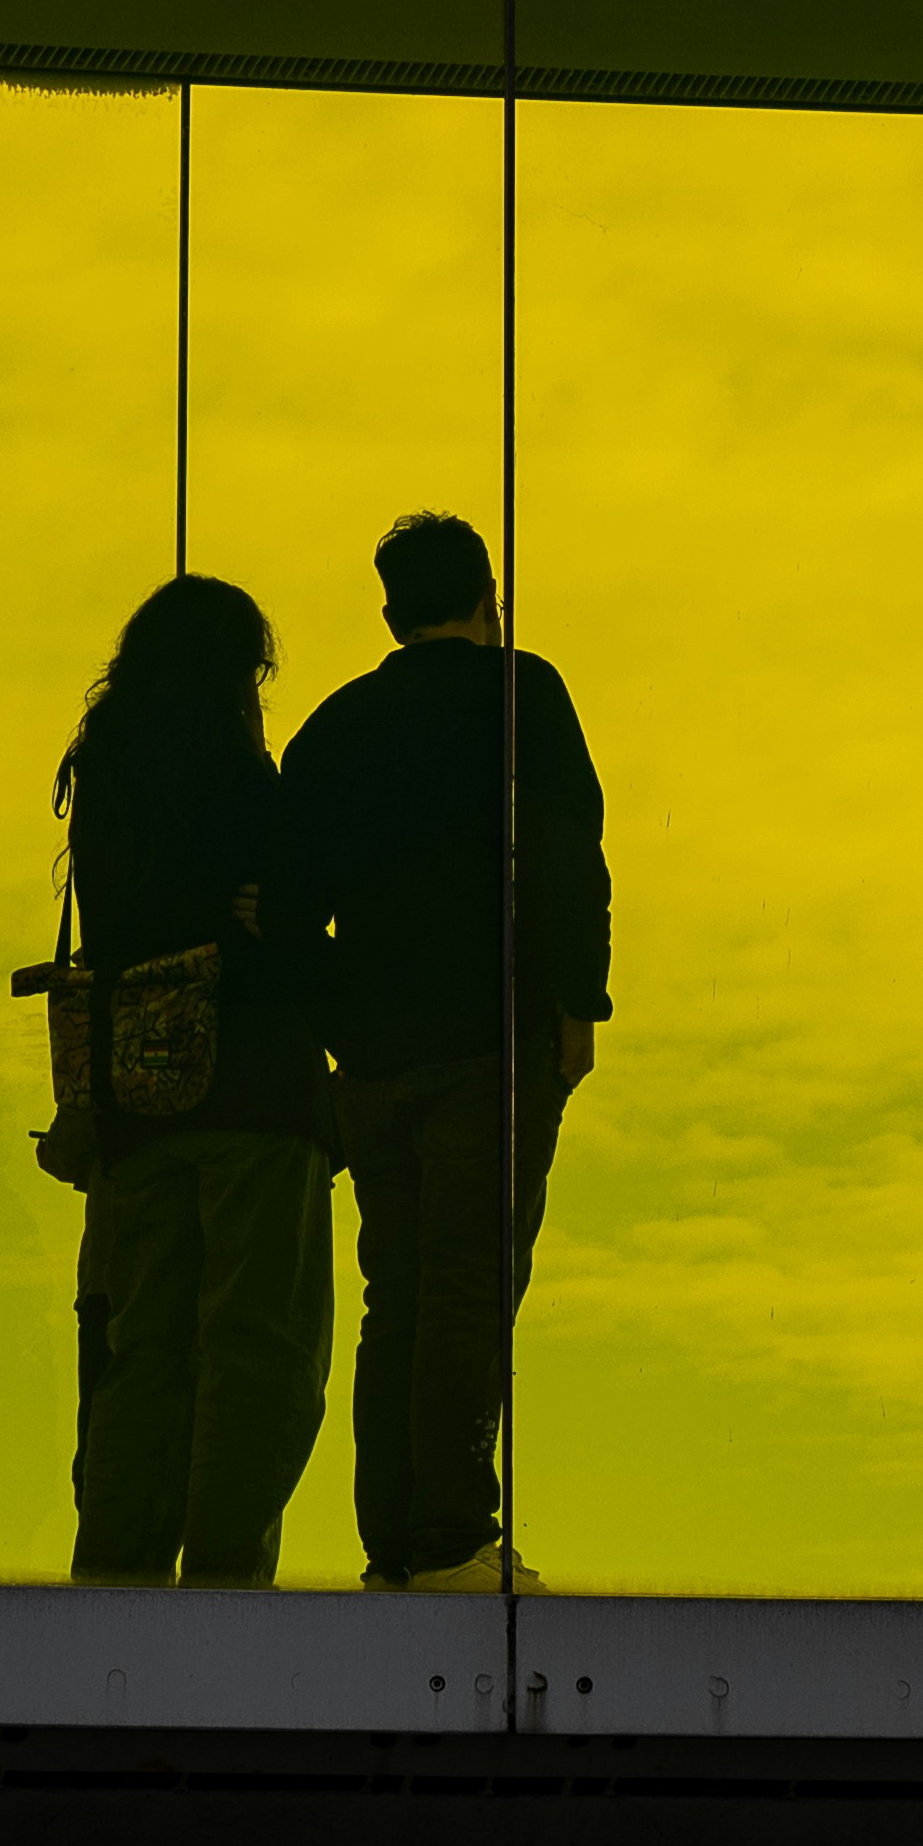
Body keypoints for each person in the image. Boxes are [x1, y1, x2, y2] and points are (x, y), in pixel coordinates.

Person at [275, 511, 610, 1594]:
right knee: (472, 1283)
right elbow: (564, 853)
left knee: (399, 1297)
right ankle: (456, 1539)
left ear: (389, 612)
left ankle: (397, 1547)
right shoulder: (523, 692)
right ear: (488, 595)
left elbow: (285, 911)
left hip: (375, 1058)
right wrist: (574, 1008)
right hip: (488, 1038)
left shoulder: (332, 731)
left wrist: (341, 1024)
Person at [44, 575, 337, 1587]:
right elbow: (281, 907)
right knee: (258, 1350)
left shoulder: (105, 765)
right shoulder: (240, 769)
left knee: (146, 1356)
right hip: (254, 1089)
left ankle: (117, 1577)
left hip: (141, 1097)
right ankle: (225, 1585)